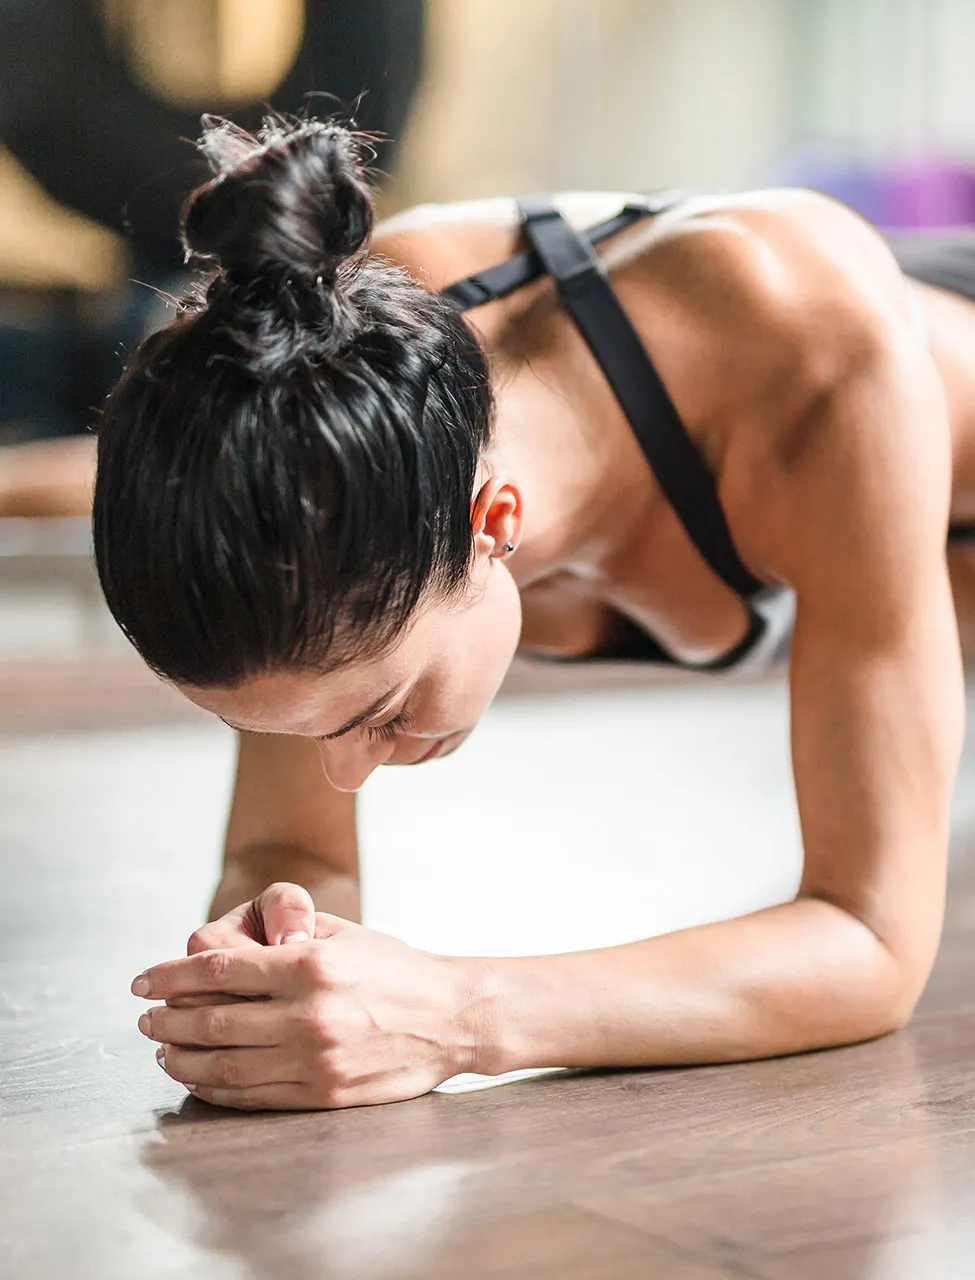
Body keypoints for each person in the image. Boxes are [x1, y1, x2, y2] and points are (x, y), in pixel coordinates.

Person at [94, 114, 975, 1112]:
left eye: (376, 709)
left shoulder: (812, 351)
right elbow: (285, 848)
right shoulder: (320, 429)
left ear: (493, 519)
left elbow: (870, 936)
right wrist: (280, 957)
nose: (341, 768)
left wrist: (459, 1015)